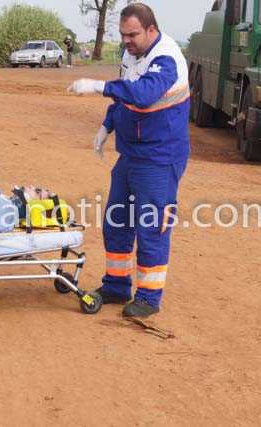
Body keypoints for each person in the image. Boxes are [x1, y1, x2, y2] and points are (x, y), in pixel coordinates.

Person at [67, 3, 190, 318]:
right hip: (132, 152)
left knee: (152, 226)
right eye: (122, 34)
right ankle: (117, 285)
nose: (126, 40)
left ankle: (148, 297)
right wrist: (107, 125)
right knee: (117, 221)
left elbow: (143, 93)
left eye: (132, 34)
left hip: (159, 155)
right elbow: (125, 96)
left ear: (151, 30)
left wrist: (98, 86)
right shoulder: (131, 54)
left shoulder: (166, 58)